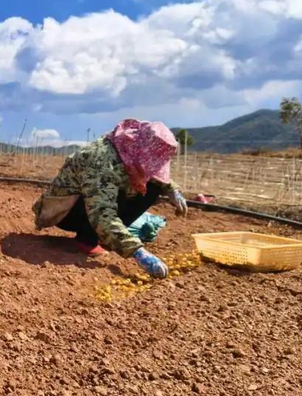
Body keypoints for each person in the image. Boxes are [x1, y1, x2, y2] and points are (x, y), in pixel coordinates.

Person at [32, 119, 187, 278]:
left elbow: (152, 174)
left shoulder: (129, 149)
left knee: (152, 189)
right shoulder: (101, 161)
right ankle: (87, 239)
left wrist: (172, 189)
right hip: (67, 211)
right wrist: (137, 251)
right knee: (115, 194)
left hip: (93, 203)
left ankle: (108, 237)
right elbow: (101, 213)